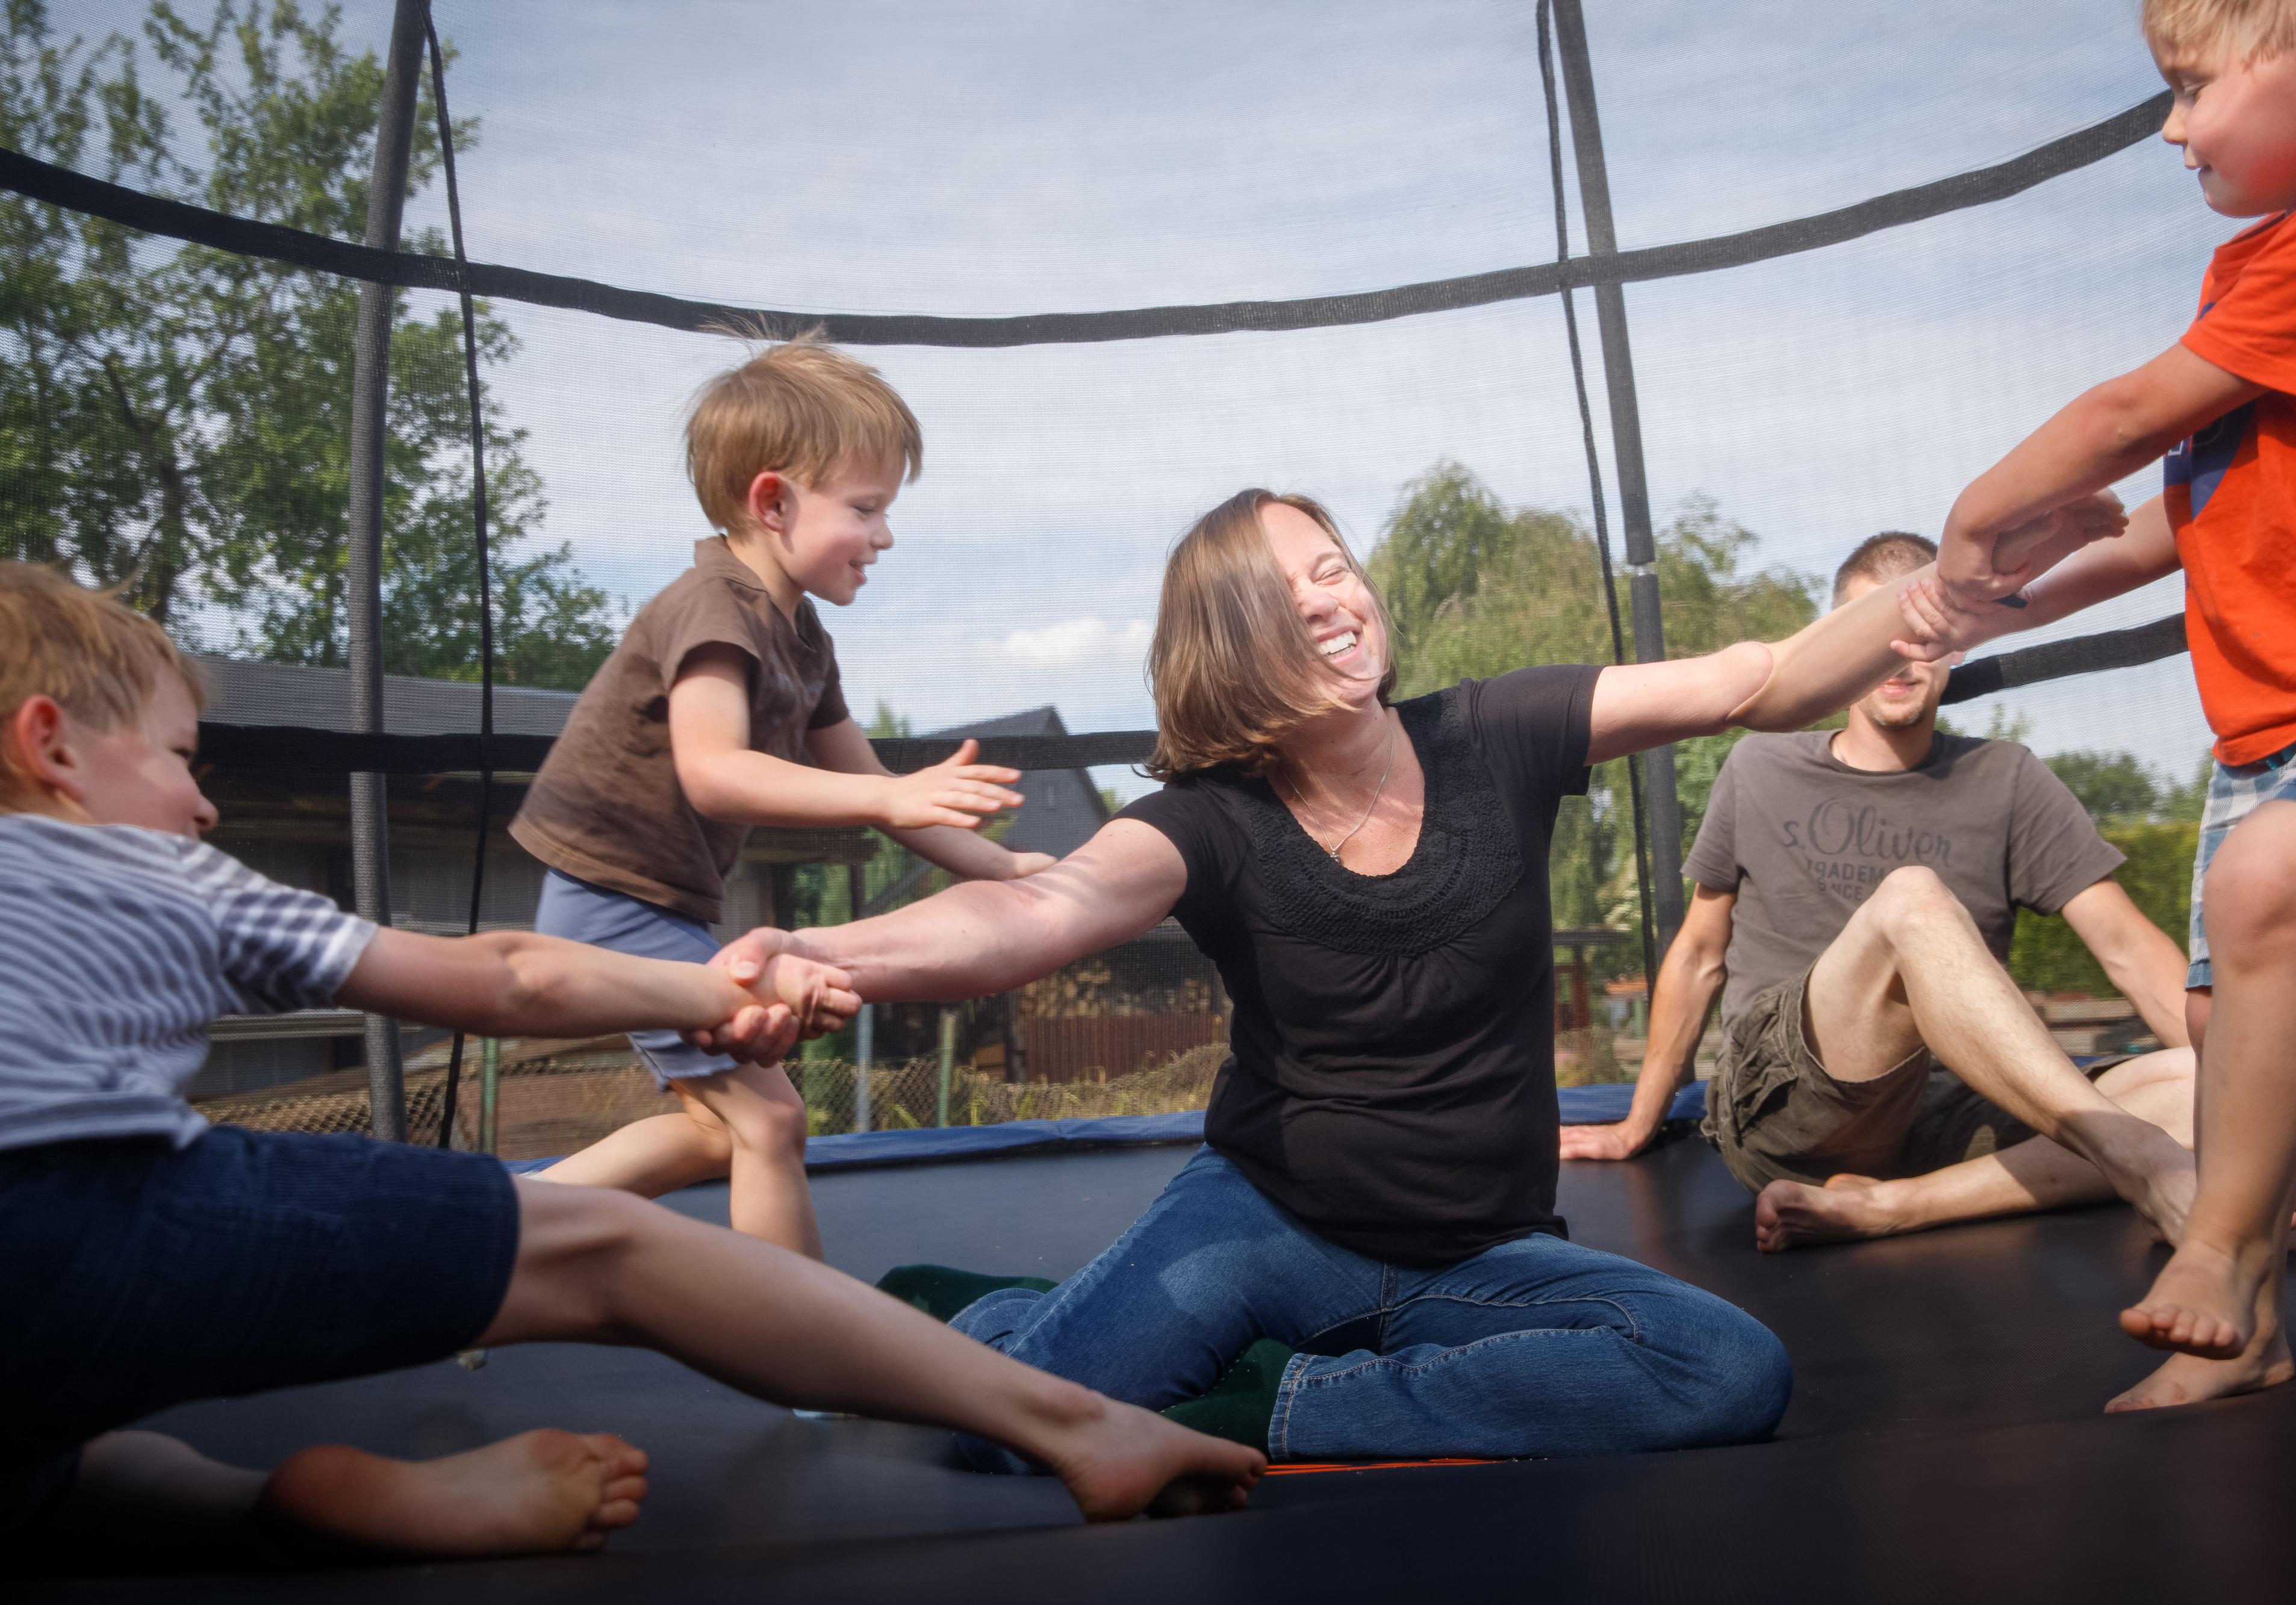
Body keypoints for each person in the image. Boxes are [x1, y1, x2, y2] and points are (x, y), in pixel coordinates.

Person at [694, 488, 2111, 1465]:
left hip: (1475, 1255)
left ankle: (1276, 1403)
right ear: (1224, 642)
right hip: (1265, 1222)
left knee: (1726, 1373)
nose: (1330, 599)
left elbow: (1757, 680)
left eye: (1333, 566)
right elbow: (1040, 916)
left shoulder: (1496, 731)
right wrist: (824, 953)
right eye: (1283, 588)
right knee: (996, 1431)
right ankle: (999, 1317)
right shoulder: (1209, 817)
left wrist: (1943, 591)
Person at [0, 563, 1263, 1561]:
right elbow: (509, 979)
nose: (206, 804)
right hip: (75, 1210)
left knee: (74, 1464)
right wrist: (717, 989)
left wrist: (1004, 873)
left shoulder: (800, 644)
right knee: (628, 1253)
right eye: (179, 759)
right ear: (51, 745)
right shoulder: (141, 866)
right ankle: (1077, 1427)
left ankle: (275, 1507)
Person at [1911, 1, 2296, 1411]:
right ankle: (2248, 1336)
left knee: (2266, 886)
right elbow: (2173, 515)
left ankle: (2220, 1250)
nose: (2172, 129)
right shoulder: (2250, 270)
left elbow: (2126, 417)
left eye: (2187, 91)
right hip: (2263, 712)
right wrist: (2008, 601)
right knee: (2209, 1023)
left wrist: (1974, 518)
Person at [1558, 532, 2296, 1254]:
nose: (1902, 653)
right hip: (1790, 1109)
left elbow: (2124, 944)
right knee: (1912, 899)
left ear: (1955, 646)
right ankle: (2134, 1156)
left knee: (2202, 1081)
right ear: (1841, 643)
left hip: (1949, 1118)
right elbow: (1701, 953)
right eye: (1876, 629)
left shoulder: (2005, 777)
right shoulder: (1763, 764)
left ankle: (1897, 1206)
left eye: (1924, 631)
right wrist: (1641, 1121)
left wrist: (2265, 1086)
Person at [510, 332, 1052, 1255]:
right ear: (773, 501)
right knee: (770, 1122)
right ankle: (814, 1353)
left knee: (722, 1128)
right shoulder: (713, 604)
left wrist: (1013, 871)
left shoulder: (802, 639)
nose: (884, 535)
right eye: (866, 507)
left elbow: (881, 789)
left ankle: (498, 1233)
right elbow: (713, 769)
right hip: (607, 899)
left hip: (663, 908)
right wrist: (894, 802)